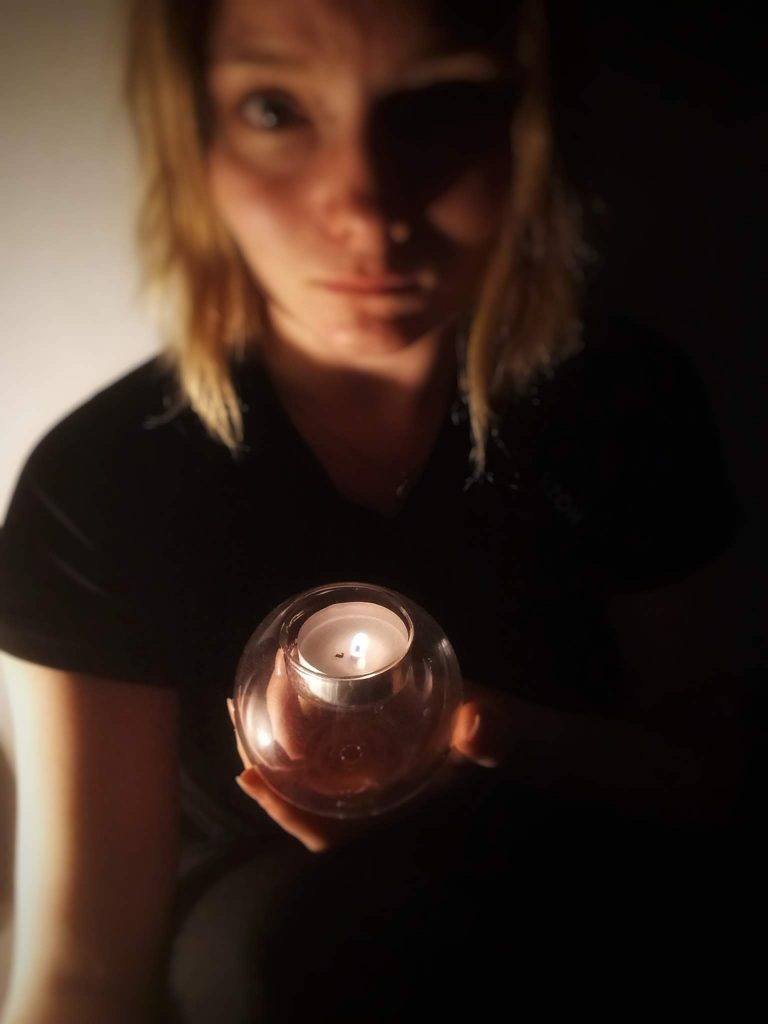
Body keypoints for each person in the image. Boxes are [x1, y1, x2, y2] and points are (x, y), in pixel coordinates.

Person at [0, 1, 754, 1021]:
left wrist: (496, 739)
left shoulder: (620, 402)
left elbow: (711, 781)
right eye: (276, 109)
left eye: (438, 107)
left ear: (528, 126)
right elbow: (86, 971)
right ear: (196, 138)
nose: (366, 208)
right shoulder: (102, 487)